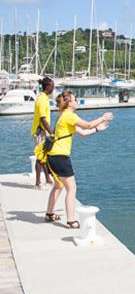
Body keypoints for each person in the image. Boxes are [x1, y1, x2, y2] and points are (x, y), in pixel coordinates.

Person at [45, 91, 112, 228]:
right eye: (75, 99)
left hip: (53, 156)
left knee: (59, 185)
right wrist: (102, 117)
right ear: (69, 103)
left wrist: (98, 129)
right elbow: (87, 125)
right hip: (60, 157)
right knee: (72, 188)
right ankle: (71, 221)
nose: (77, 101)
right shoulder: (69, 115)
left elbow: (82, 133)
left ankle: (50, 213)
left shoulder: (63, 116)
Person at [32, 77, 55, 189]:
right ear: (48, 86)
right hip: (40, 131)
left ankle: (48, 179)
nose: (53, 88)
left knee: (44, 156)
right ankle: (38, 183)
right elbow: (42, 119)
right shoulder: (41, 99)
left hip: (43, 131)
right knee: (40, 157)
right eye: (52, 86)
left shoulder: (44, 98)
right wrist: (51, 133)